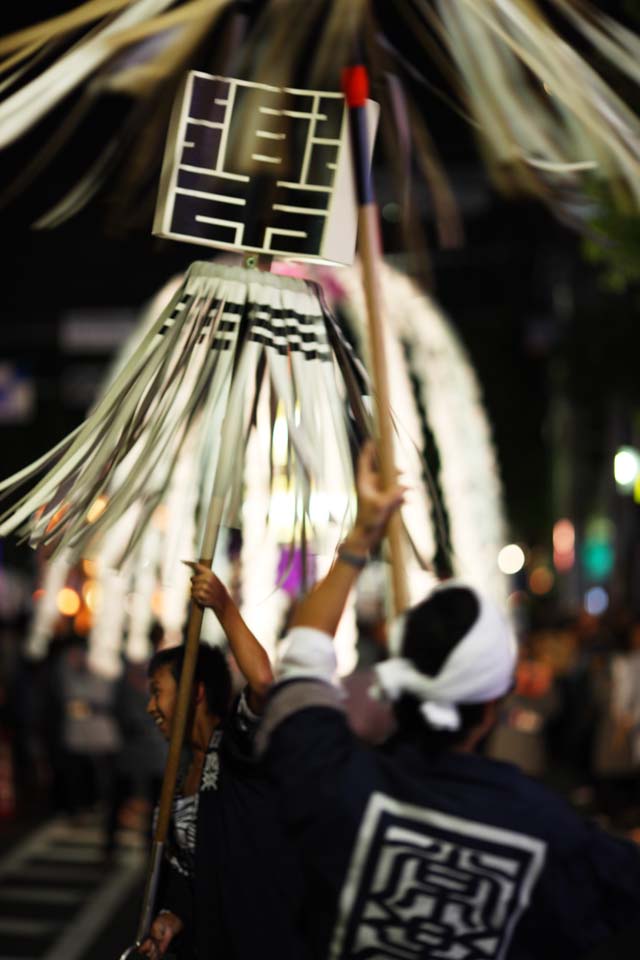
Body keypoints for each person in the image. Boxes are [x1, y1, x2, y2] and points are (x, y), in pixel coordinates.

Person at [242, 441, 640, 959]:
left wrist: (364, 533)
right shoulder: (547, 829)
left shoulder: (331, 774)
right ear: (495, 700)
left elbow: (303, 655)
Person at [139, 572, 304, 960]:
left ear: (196, 692)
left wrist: (224, 607)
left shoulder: (238, 745)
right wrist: (172, 917)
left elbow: (264, 683)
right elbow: (190, 877)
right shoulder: (179, 779)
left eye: (157, 693)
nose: (150, 708)